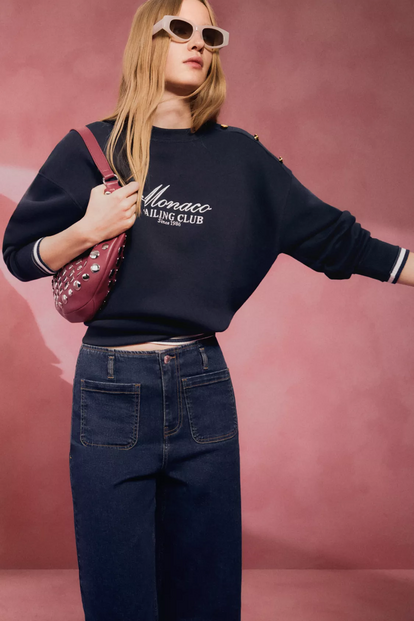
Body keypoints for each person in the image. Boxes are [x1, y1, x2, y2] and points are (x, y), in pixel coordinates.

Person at [2, 0, 414, 619]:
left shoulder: (242, 158)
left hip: (202, 384)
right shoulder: (92, 147)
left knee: (208, 597)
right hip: (111, 387)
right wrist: (87, 229)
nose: (198, 42)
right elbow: (19, 256)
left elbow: (340, 240)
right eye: (180, 29)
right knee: (118, 595)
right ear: (148, 40)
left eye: (209, 34)